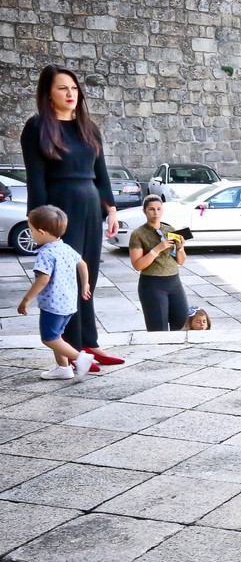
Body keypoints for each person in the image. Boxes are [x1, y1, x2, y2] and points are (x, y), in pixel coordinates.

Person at [21, 65, 123, 367]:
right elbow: (35, 179)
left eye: (74, 88)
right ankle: (73, 348)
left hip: (90, 205)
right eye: (62, 88)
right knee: (64, 281)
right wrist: (38, 222)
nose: (70, 94)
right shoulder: (37, 127)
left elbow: (101, 173)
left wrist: (111, 209)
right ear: (48, 94)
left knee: (87, 275)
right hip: (59, 208)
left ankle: (90, 342)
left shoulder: (88, 127)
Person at [17, 205, 95, 380]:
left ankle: (80, 358)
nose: (31, 234)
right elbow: (82, 265)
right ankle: (63, 368)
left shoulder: (45, 253)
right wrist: (85, 285)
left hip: (53, 305)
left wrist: (26, 299)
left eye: (32, 231)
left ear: (42, 232)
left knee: (49, 338)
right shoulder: (65, 248)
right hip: (68, 303)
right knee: (57, 335)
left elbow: (43, 279)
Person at [128, 194, 190, 332]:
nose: (156, 213)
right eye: (151, 209)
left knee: (182, 325)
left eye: (159, 209)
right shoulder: (138, 234)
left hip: (174, 282)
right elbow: (138, 265)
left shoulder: (169, 230)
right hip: (152, 284)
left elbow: (181, 261)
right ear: (144, 211)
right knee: (158, 330)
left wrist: (180, 248)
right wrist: (157, 249)